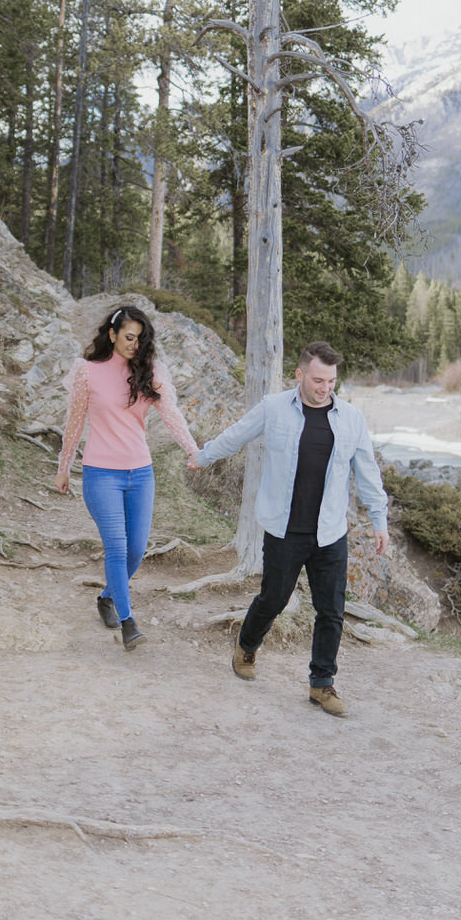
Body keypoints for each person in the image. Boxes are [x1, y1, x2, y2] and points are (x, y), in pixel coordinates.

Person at [187, 340, 387, 716]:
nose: (324, 387)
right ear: (299, 375)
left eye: (331, 381)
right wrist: (202, 456)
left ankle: (322, 684)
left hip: (329, 532)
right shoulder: (274, 408)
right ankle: (247, 644)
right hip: (284, 529)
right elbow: (236, 435)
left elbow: (368, 471)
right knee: (273, 599)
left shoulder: (351, 419)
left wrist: (380, 520)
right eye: (317, 380)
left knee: (332, 611)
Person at [56, 305, 199, 650]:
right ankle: (127, 620)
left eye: (140, 339)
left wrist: (193, 450)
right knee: (117, 548)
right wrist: (64, 467)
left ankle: (106, 597)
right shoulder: (87, 372)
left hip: (140, 473)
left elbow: (171, 415)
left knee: (135, 549)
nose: (134, 345)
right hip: (101, 473)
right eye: (128, 338)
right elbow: (74, 423)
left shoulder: (150, 372)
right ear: (113, 334)